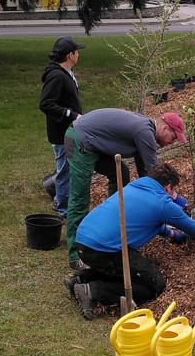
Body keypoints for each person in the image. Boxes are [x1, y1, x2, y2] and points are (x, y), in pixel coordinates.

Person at [66, 163, 195, 319]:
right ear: (168, 187)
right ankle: (93, 291)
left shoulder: (134, 187)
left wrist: (171, 234)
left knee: (123, 269)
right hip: (103, 250)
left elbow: (142, 220)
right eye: (173, 190)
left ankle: (80, 279)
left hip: (84, 240)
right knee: (154, 285)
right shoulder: (161, 203)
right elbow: (193, 227)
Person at [64, 108, 187, 271]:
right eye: (174, 137)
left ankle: (115, 219)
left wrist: (172, 200)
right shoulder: (145, 134)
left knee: (121, 172)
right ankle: (75, 255)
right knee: (80, 198)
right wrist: (173, 201)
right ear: (165, 128)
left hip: (93, 142)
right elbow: (157, 179)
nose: (173, 142)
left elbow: (147, 175)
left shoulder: (145, 130)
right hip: (80, 140)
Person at [38, 37, 85, 221]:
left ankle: (61, 200)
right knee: (64, 171)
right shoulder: (56, 76)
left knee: (66, 169)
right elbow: (46, 104)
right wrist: (71, 115)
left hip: (69, 131)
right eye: (77, 51)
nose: (78, 54)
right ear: (69, 55)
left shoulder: (66, 72)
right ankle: (64, 210)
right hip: (61, 133)